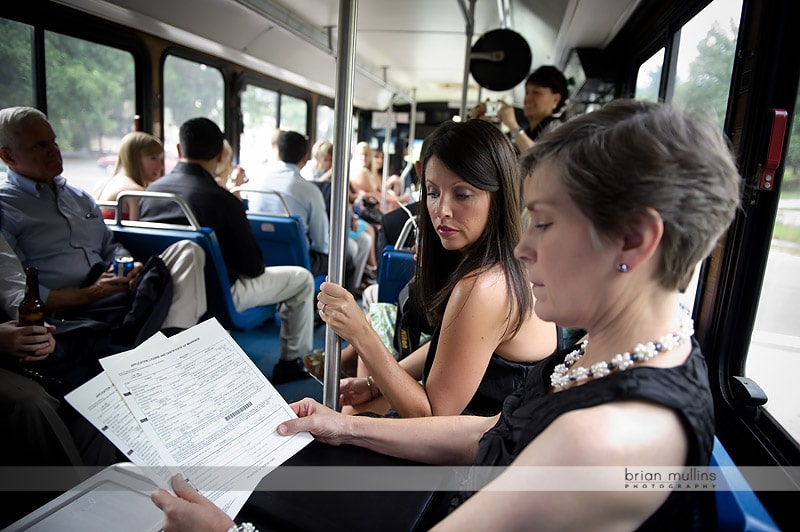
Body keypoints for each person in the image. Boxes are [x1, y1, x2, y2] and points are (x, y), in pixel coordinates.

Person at [151, 99, 741, 531]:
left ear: (633, 242)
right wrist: (346, 425)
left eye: (544, 221)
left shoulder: (600, 445)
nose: (524, 246)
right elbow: (500, 432)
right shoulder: (628, 349)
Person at [317, 119, 557, 418]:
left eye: (462, 194)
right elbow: (449, 348)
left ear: (497, 197)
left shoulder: (484, 288)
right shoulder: (507, 263)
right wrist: (374, 383)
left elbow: (432, 418)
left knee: (348, 417)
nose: (441, 210)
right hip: (477, 421)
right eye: (432, 192)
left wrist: (361, 333)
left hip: (477, 449)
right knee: (354, 406)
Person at [0, 106, 207, 338]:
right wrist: (91, 293)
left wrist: (126, 266)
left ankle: (168, 338)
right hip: (70, 310)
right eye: (40, 145)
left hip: (110, 289)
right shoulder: (7, 208)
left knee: (188, 250)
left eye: (53, 141)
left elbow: (109, 246)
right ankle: (166, 342)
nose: (54, 151)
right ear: (8, 156)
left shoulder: (79, 197)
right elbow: (19, 296)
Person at [139, 118, 315, 384]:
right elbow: (253, 267)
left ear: (178, 150)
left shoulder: (152, 193)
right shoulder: (223, 201)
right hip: (220, 295)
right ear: (220, 154)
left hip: (161, 289)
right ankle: (291, 361)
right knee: (301, 279)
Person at [248, 130, 367, 296]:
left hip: (261, 256)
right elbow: (321, 244)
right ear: (305, 158)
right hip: (298, 260)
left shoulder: (256, 183)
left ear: (278, 152)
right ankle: (333, 314)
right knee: (346, 259)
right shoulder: (308, 191)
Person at [470, 65, 570, 153]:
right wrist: (481, 124)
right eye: (527, 93)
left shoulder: (557, 130)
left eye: (536, 93)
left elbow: (538, 161)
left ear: (556, 99)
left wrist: (512, 125)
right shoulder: (528, 132)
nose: (528, 98)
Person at [94, 131, 165, 220]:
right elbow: (139, 232)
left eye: (161, 159)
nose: (160, 166)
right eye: (153, 158)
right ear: (135, 158)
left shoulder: (107, 184)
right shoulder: (135, 192)